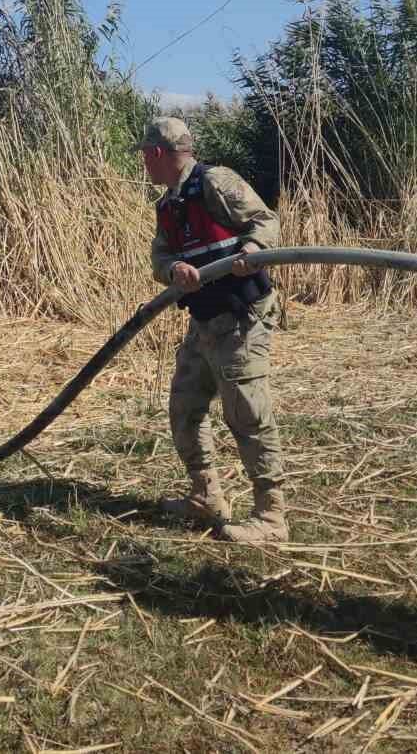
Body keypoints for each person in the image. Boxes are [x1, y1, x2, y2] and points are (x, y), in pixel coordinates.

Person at [140, 117, 290, 543]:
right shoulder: (168, 204)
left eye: (145, 157)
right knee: (185, 408)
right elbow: (160, 259)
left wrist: (253, 248)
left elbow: (265, 220)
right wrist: (174, 269)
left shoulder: (216, 182)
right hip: (204, 319)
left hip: (242, 316)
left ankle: (271, 516)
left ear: (157, 154)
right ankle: (206, 496)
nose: (144, 166)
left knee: (247, 413)